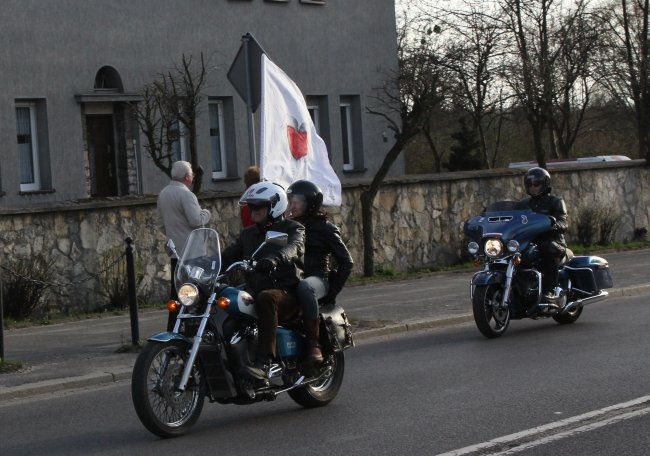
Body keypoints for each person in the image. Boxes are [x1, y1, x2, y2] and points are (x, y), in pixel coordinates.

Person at [221, 181, 305, 380]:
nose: (253, 210)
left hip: (286, 292)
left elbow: (294, 247)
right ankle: (231, 360)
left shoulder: (293, 228)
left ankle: (263, 363)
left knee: (267, 298)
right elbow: (229, 255)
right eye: (251, 206)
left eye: (258, 206)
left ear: (274, 206)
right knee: (225, 297)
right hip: (254, 289)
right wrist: (205, 265)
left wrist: (275, 258)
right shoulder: (250, 234)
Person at [287, 180, 354, 365]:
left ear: (310, 203)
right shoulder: (287, 227)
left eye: (297, 200)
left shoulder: (325, 229)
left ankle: (313, 343)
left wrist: (331, 291)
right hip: (293, 277)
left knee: (304, 287)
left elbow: (346, 262)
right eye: (290, 199)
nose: (292, 204)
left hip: (317, 279)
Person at [157, 160, 212, 330]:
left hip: (176, 253)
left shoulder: (163, 194)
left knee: (177, 296)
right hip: (193, 253)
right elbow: (196, 220)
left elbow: (161, 224)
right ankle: (192, 331)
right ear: (187, 177)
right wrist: (206, 213)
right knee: (194, 296)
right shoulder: (187, 195)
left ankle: (172, 332)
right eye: (192, 176)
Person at [519, 167, 568, 305]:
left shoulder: (555, 201)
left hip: (553, 241)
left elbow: (563, 222)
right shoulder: (523, 204)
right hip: (529, 241)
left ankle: (549, 290)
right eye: (530, 185)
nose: (533, 188)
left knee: (546, 248)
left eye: (536, 184)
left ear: (545, 184)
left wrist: (553, 225)